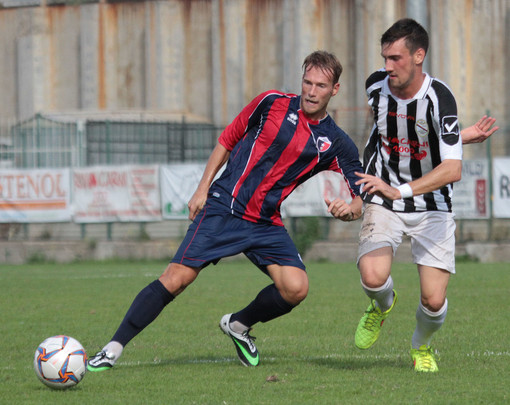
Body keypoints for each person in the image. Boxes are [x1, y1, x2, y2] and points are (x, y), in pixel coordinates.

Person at [87, 50, 364, 371]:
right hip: (225, 207)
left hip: (265, 222)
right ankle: (112, 349)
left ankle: (238, 325)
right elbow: (228, 139)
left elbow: (360, 196)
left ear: (335, 89)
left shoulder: (336, 141)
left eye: (320, 85)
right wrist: (202, 188)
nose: (311, 91)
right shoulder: (271, 102)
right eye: (307, 82)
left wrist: (349, 211)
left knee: (296, 287)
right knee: (176, 279)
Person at [348, 18, 498, 373]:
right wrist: (371, 190)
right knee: (372, 276)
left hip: (431, 204)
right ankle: (381, 305)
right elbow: (388, 136)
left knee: (433, 299)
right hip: (385, 196)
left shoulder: (439, 97)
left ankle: (422, 346)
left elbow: (452, 170)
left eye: (396, 58)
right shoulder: (375, 87)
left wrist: (455, 139)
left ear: (419, 56)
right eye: (385, 57)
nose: (387, 66)